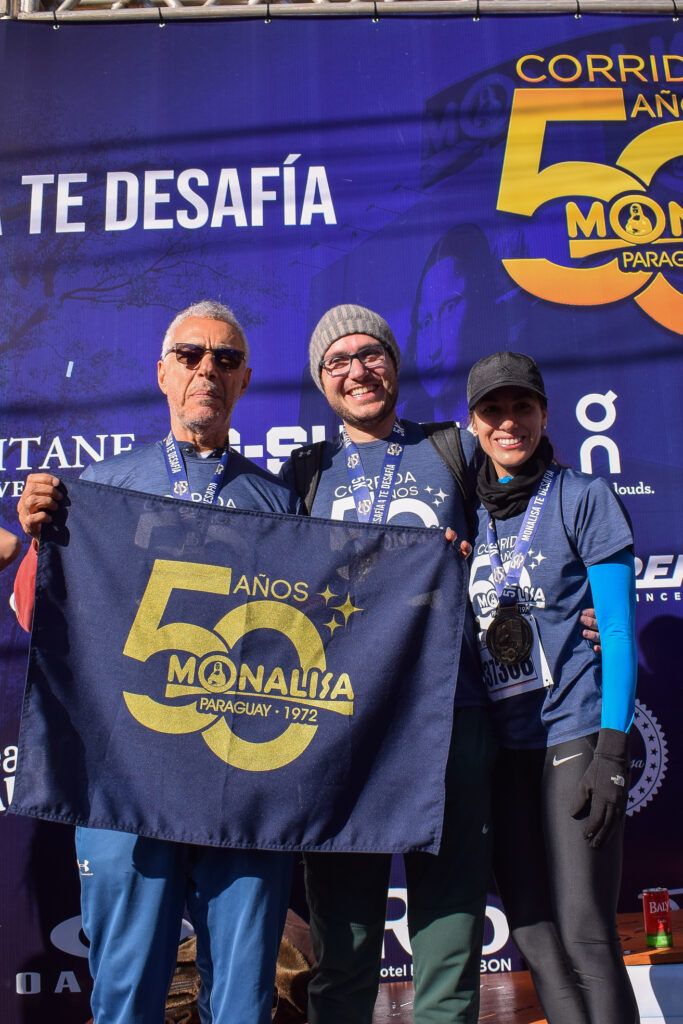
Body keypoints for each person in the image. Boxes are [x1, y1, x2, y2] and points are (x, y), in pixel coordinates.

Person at [15, 300, 300, 1024]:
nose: (208, 369)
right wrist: (36, 543)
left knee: (242, 1006)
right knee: (126, 999)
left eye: (225, 359)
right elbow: (31, 616)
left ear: (243, 382)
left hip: (242, 785)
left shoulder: (283, 503)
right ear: (162, 374)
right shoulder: (96, 490)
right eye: (191, 355)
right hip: (125, 778)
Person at [282, 303, 495, 1024]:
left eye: (370, 354)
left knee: (449, 916)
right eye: (337, 361)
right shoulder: (305, 470)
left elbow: (529, 531)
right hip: (342, 716)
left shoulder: (451, 448)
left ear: (394, 367)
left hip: (449, 706)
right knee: (341, 933)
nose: (357, 371)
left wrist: (574, 603)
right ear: (321, 381)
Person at [466, 351, 639, 1024]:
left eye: (521, 407)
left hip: (572, 734)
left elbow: (618, 635)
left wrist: (610, 751)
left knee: (584, 931)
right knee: (533, 936)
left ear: (543, 413)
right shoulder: (461, 508)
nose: (508, 422)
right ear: (473, 422)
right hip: (500, 754)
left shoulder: (582, 497)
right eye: (493, 410)